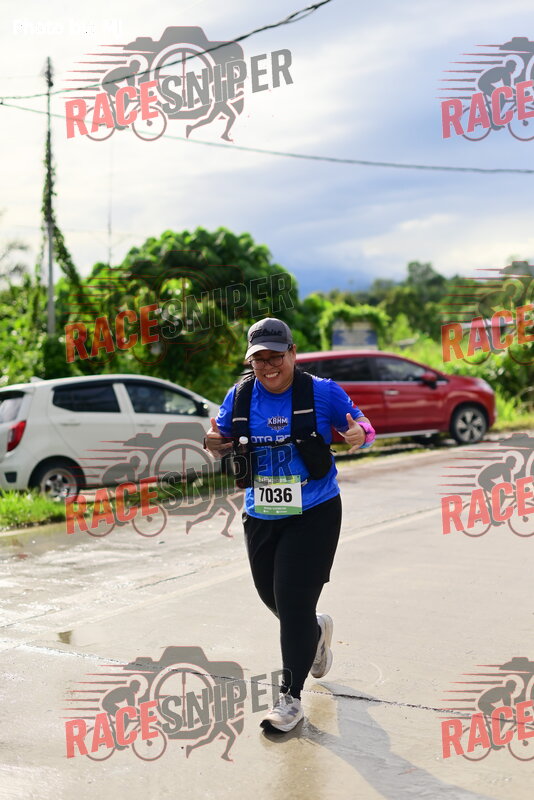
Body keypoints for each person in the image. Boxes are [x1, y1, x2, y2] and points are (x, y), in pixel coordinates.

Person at [204, 318, 375, 732]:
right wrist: (213, 444)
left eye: (275, 357)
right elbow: (219, 437)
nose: (268, 367)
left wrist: (359, 435)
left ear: (293, 353)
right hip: (261, 513)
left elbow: (364, 427)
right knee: (273, 597)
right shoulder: (240, 396)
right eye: (259, 359)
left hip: (314, 511)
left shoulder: (322, 392)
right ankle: (313, 633)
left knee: (293, 601)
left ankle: (290, 698)